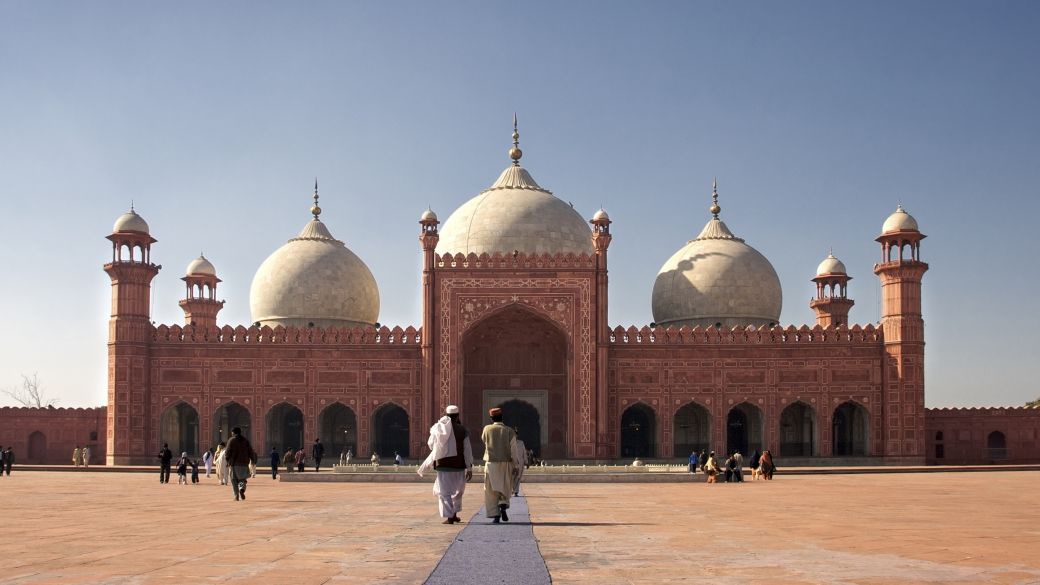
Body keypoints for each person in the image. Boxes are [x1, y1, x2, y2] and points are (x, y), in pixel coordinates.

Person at [418, 405, 473, 524]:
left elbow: (431, 444)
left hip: (443, 465)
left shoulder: (438, 428)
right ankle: (454, 514)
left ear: (446, 415)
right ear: (457, 415)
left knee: (444, 492)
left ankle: (449, 516)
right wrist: (469, 467)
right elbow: (467, 450)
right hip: (459, 465)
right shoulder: (462, 430)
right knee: (458, 491)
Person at [481, 407, 519, 524]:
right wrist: (515, 465)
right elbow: (514, 450)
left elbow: (484, 440)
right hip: (506, 463)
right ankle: (503, 503)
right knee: (505, 487)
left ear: (491, 418)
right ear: (502, 418)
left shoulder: (487, 429)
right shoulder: (509, 431)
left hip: (491, 463)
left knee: (491, 490)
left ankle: (495, 515)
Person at [223, 427, 257, 501]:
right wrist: (253, 460)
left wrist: (227, 460)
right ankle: (241, 489)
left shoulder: (231, 440)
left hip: (234, 464)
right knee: (242, 479)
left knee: (233, 480)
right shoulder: (245, 441)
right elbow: (251, 451)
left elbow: (227, 452)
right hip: (244, 463)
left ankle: (236, 496)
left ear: (233, 432)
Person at [512, 429, 528, 496]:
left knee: (518, 477)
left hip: (520, 463)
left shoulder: (521, 443)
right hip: (512, 462)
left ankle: (516, 491)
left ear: (517, 435)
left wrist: (526, 462)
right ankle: (513, 490)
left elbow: (524, 452)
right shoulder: (509, 443)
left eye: (515, 434)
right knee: (512, 477)